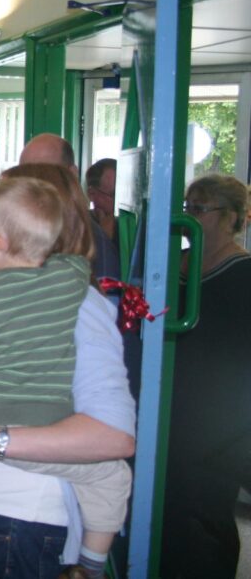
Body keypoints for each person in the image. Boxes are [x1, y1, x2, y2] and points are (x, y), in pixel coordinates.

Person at [0, 164, 136, 579]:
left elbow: (115, 435)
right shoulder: (69, 289)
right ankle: (91, 562)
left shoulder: (72, 306)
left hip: (22, 514)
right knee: (111, 481)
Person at [160, 174, 251, 578]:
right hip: (172, 409)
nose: (190, 218)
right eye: (187, 208)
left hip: (222, 424)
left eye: (201, 209)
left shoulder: (244, 273)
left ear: (231, 218)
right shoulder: (170, 268)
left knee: (207, 514)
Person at [19, 134, 119, 280]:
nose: (34, 185)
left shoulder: (96, 245)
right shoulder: (13, 230)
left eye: (45, 174)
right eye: (24, 175)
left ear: (72, 174)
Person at [84, 158, 117, 244]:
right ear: (91, 194)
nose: (119, 204)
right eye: (113, 195)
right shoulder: (79, 227)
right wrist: (104, 238)